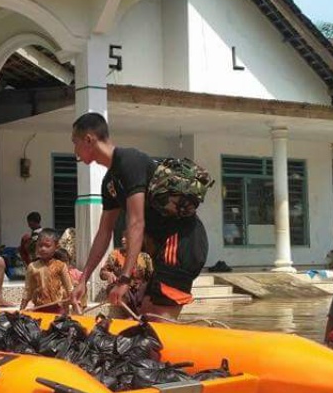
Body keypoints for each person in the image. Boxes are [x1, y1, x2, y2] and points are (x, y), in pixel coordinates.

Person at [69, 112, 208, 319]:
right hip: (163, 250)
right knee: (144, 312)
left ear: (88, 140)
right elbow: (104, 233)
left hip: (181, 243)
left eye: (75, 142)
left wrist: (124, 279)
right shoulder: (110, 183)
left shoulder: (129, 161)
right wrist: (83, 280)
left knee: (157, 319)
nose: (74, 150)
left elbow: (136, 222)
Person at [21, 229, 74, 313]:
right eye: (40, 246)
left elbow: (69, 289)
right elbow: (28, 291)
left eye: (47, 246)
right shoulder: (32, 267)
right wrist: (21, 310)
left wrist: (76, 306)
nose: (43, 249)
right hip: (39, 309)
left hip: (57, 309)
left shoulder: (61, 266)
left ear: (56, 247)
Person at [99, 236, 153, 312]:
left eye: (127, 237)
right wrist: (109, 275)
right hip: (121, 287)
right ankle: (133, 314)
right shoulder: (115, 254)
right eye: (123, 237)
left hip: (139, 290)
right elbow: (102, 273)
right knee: (117, 290)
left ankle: (137, 314)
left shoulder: (145, 257)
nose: (123, 239)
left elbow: (151, 276)